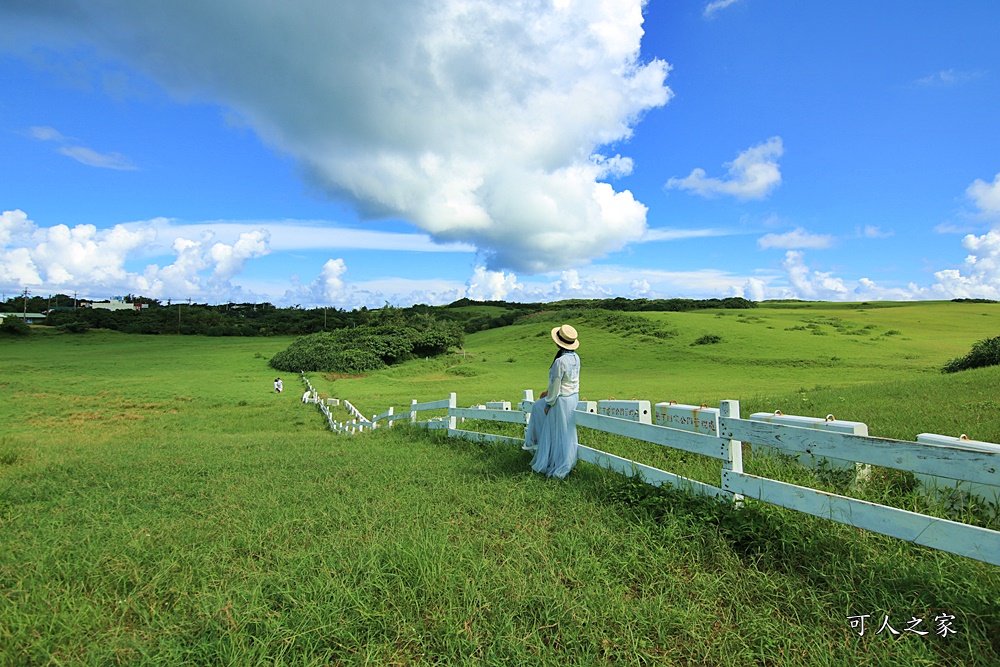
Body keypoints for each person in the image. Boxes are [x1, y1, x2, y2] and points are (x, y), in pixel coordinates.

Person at [524, 323, 581, 479]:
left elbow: (557, 386)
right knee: (565, 431)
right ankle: (552, 454)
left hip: (561, 400)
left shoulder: (560, 362)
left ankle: (552, 458)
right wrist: (548, 392)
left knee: (555, 428)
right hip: (572, 397)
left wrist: (549, 403)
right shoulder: (576, 358)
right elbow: (569, 382)